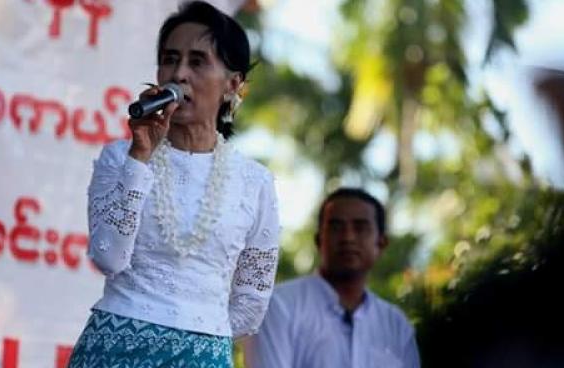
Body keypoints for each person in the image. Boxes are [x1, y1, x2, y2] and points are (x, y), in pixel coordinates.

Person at [67, 2, 280, 367]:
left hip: (203, 353)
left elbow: (251, 302)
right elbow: (107, 257)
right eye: (170, 59)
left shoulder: (255, 182)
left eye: (197, 62)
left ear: (233, 85)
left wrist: (196, 332)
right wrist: (140, 157)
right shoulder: (120, 157)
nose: (179, 73)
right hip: (112, 348)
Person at [244, 188, 420, 368]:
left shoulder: (396, 324)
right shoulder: (278, 307)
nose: (348, 237)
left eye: (360, 227)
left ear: (381, 243)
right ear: (319, 240)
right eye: (336, 227)